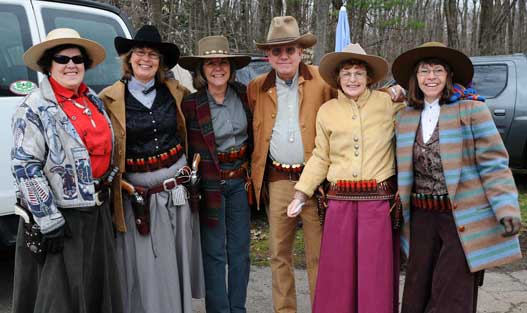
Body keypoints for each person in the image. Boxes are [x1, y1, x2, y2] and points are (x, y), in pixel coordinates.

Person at [392, 42, 523, 313]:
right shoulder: (405, 116)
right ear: (414, 78)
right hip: (421, 219)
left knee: (451, 294)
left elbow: (494, 164)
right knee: (417, 290)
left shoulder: (472, 111)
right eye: (424, 71)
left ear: (449, 76)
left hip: (459, 218)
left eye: (438, 70)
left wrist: (506, 207)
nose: (431, 77)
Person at [11, 28, 122, 313]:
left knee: (94, 291)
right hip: (61, 219)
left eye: (77, 59)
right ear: (49, 64)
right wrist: (49, 219)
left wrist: (107, 180)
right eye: (62, 58)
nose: (71, 65)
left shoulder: (92, 100)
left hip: (95, 214)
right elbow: (25, 166)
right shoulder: (34, 106)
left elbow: (104, 152)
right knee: (60, 299)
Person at [288, 43, 405, 313]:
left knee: (374, 275)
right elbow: (320, 156)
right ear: (338, 78)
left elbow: (421, 106)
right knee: (338, 275)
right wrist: (301, 192)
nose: (352, 79)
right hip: (338, 204)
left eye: (359, 73)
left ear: (369, 78)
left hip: (378, 205)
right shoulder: (327, 110)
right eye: (347, 74)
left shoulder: (388, 104)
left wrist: (401, 90)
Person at [99, 25, 205, 313]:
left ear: (160, 62)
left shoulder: (176, 92)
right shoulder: (109, 99)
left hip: (177, 193)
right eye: (140, 53)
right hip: (139, 200)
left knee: (176, 261)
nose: (146, 59)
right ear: (129, 58)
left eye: (153, 55)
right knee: (146, 267)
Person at [247, 15, 335, 313]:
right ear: (268, 56)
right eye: (277, 51)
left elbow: (352, 99)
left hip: (316, 183)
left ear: (301, 52)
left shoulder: (323, 81)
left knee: (318, 254)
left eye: (290, 50)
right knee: (278, 253)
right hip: (278, 180)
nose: (284, 56)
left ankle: (322, 307)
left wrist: (393, 93)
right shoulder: (257, 87)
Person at [179, 35, 252, 313]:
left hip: (239, 183)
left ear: (231, 67)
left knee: (240, 252)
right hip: (209, 185)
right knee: (214, 254)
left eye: (223, 62)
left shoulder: (246, 96)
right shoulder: (191, 105)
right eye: (211, 63)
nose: (217, 68)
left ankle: (238, 308)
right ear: (201, 69)